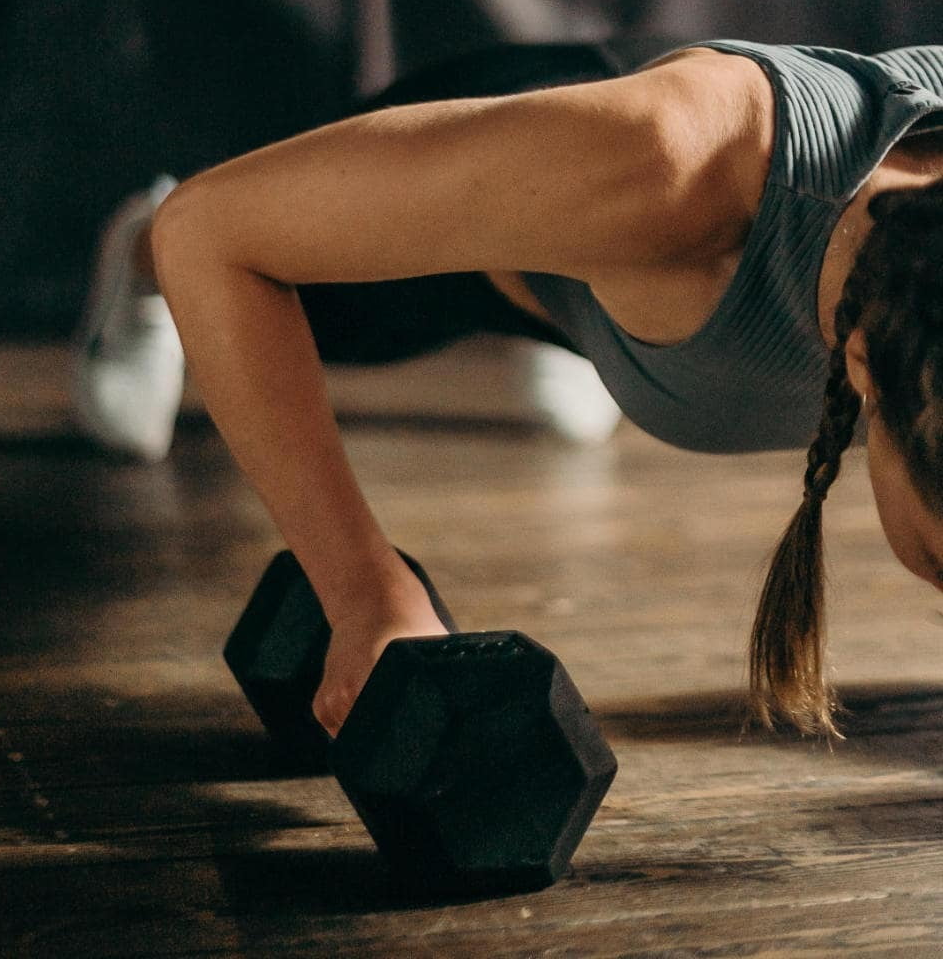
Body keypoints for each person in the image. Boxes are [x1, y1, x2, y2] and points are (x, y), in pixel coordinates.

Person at [75, 39, 943, 741]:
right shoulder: (676, 168)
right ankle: (134, 251)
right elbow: (214, 231)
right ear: (865, 365)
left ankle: (593, 319)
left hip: (627, 242)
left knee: (621, 260)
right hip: (551, 162)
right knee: (256, 258)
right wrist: (363, 592)